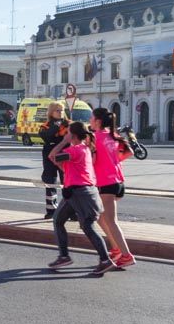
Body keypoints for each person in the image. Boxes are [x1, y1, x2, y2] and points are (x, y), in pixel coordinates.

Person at [47, 121, 116, 275]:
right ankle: (64, 256)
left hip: (79, 193)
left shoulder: (75, 150)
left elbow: (52, 156)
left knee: (87, 226)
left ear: (73, 135)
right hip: (80, 193)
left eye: (68, 133)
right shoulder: (84, 149)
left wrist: (64, 141)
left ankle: (104, 260)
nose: (66, 135)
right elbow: (63, 165)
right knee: (59, 220)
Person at [92, 107, 135, 268]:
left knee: (110, 221)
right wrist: (114, 161)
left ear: (98, 121)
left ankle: (126, 255)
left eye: (91, 118)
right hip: (117, 181)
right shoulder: (113, 135)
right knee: (100, 217)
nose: (89, 121)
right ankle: (116, 249)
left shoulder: (95, 137)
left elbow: (92, 159)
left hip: (106, 182)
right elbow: (129, 152)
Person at [39, 102, 68, 219]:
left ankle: (71, 211)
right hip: (49, 155)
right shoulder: (45, 126)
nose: (61, 113)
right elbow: (46, 136)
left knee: (67, 182)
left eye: (62, 110)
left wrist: (64, 125)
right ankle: (51, 210)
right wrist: (56, 126)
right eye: (58, 110)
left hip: (64, 154)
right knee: (50, 182)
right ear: (51, 112)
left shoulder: (68, 124)